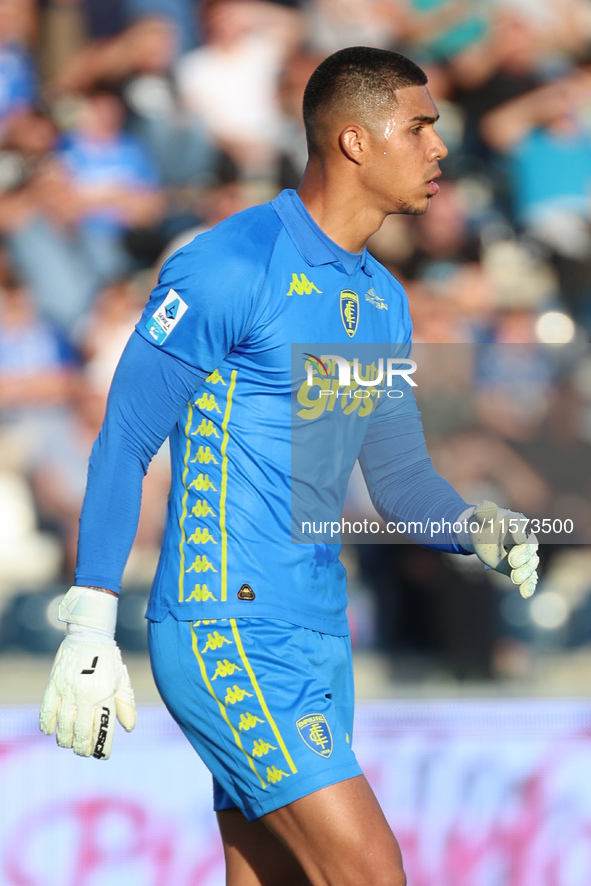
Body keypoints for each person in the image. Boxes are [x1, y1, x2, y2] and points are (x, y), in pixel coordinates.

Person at [39, 47, 539, 886]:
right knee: (370, 873)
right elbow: (125, 437)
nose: (438, 148)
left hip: (316, 631)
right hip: (226, 626)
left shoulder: (381, 297)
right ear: (353, 141)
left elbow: (400, 479)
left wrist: (472, 528)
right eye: (418, 127)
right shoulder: (229, 265)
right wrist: (89, 625)